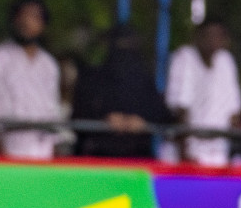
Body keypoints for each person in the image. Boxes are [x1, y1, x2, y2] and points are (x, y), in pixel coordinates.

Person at [0, 0, 62, 160]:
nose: (27, 22)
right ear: (14, 20)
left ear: (43, 25)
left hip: (41, 157)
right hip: (2, 160)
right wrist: (5, 158)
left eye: (34, 17)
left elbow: (52, 113)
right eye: (22, 16)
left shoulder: (49, 64)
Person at [71, 26, 171, 159]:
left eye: (128, 45)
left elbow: (162, 115)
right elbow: (78, 116)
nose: (124, 53)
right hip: (99, 157)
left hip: (137, 158)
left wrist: (143, 122)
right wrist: (103, 119)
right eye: (119, 45)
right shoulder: (92, 79)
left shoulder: (144, 81)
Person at [165, 19, 241, 167]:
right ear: (197, 37)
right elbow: (180, 109)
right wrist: (185, 154)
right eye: (208, 35)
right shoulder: (184, 57)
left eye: (217, 36)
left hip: (219, 154)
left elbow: (235, 110)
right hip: (185, 156)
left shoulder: (226, 61)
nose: (212, 41)